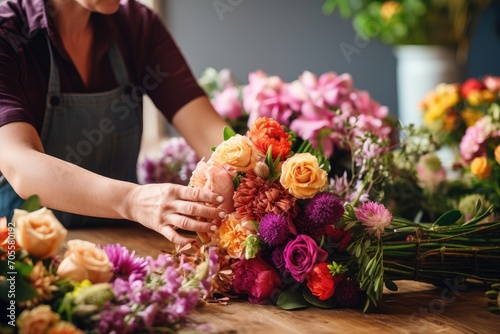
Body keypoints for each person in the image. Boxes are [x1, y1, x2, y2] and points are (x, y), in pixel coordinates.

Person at [0, 0, 231, 245]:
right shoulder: (8, 35)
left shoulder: (137, 25)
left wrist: (255, 175)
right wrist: (131, 200)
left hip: (122, 243)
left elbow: (207, 132)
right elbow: (21, 165)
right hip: (20, 255)